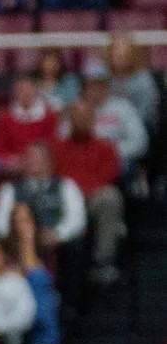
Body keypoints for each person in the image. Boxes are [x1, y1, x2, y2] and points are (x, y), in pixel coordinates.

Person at [50, 101, 126, 284]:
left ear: (93, 120)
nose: (81, 121)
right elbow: (53, 177)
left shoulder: (106, 148)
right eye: (77, 117)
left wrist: (81, 191)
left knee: (110, 197)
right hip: (63, 200)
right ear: (70, 120)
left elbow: (109, 177)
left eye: (85, 117)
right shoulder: (57, 148)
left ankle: (103, 262)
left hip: (92, 199)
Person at [0, 72, 57, 165]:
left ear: (35, 90)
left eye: (28, 88)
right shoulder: (4, 117)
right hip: (13, 167)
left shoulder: (48, 116)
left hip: (41, 165)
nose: (25, 92)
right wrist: (10, 160)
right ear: (14, 92)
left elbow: (53, 145)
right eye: (21, 89)